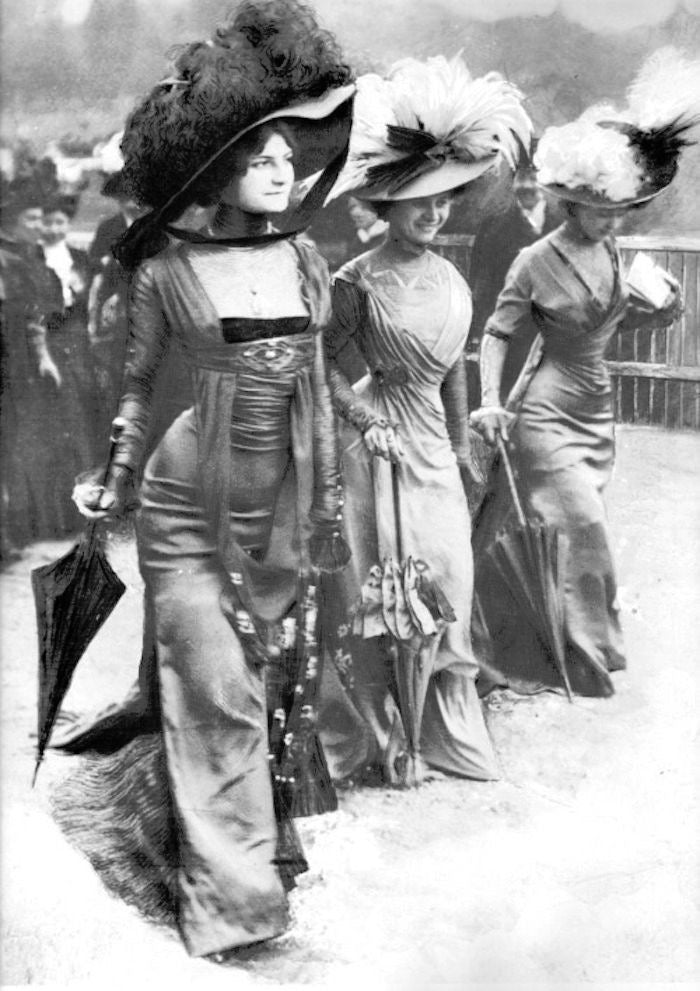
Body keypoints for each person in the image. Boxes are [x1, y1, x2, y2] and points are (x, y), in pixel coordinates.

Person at [58, 0, 355, 960]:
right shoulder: (166, 269)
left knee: (254, 689)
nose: (285, 169)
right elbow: (139, 389)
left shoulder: (311, 259)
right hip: (187, 501)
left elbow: (322, 374)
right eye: (263, 155)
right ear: (218, 165)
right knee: (219, 689)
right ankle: (237, 908)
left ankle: (183, 830)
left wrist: (351, 454)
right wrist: (110, 480)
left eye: (291, 157)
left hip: (282, 502)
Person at [319, 54, 532, 786]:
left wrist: (465, 436)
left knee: (448, 574)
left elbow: (455, 370)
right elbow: (327, 364)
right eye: (420, 202)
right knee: (383, 591)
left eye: (445, 202)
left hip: (433, 448)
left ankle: (441, 725)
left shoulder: (451, 277)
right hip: (374, 447)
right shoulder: (354, 281)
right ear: (387, 203)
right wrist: (359, 416)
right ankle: (386, 736)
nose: (434, 214)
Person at [470, 54, 697, 698]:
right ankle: (577, 654)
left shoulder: (614, 252)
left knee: (573, 526)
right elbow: (497, 332)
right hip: (544, 407)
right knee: (581, 522)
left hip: (597, 406)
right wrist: (490, 403)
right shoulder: (533, 260)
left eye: (619, 208)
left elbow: (614, 328)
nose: (613, 218)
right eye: (600, 208)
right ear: (571, 202)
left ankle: (541, 643)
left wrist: (664, 311)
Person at [0, 175, 61, 554]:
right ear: (9, 221)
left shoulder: (24, 258)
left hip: (14, 370)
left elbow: (33, 318)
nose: (39, 227)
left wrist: (41, 356)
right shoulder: (7, 260)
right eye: (32, 219)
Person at [469, 143, 559, 399]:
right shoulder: (494, 227)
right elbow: (481, 286)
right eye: (521, 177)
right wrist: (478, 334)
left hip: (550, 337)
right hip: (506, 339)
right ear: (512, 181)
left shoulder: (562, 227)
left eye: (534, 177)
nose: (528, 185)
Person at [41, 192, 102, 530]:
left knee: (82, 414)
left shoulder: (79, 257)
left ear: (67, 224)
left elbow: (91, 300)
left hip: (77, 341)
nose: (53, 228)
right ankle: (55, 511)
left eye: (60, 222)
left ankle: (86, 502)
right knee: (56, 417)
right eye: (47, 222)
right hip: (48, 339)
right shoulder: (33, 259)